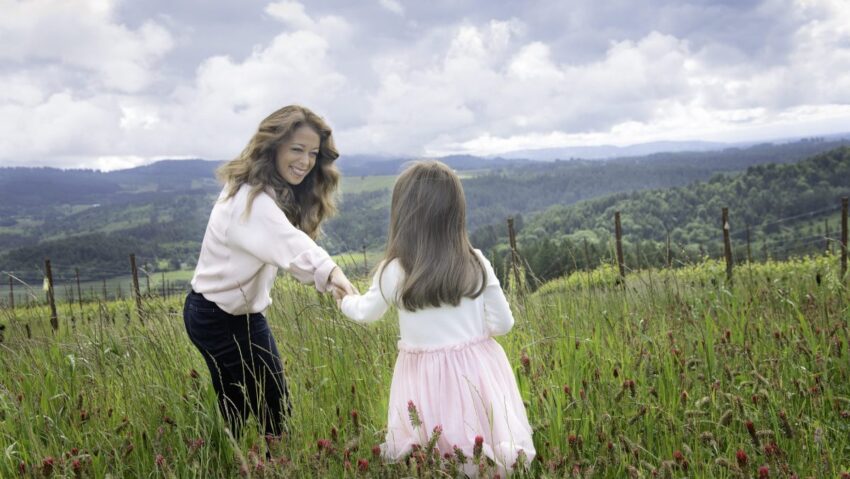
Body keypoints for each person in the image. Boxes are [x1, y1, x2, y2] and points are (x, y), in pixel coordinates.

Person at [336, 160, 535, 475]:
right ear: (456, 213)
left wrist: (345, 299)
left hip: (423, 377)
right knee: (478, 445)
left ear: (403, 215)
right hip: (476, 372)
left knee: (431, 451)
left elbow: (366, 312)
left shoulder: (394, 269)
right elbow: (504, 324)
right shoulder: (476, 261)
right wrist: (471, 335)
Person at [183, 105, 357, 438]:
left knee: (272, 407)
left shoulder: (260, 189)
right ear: (274, 145)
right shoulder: (250, 200)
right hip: (214, 317)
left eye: (312, 153)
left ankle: (257, 461)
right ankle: (236, 461)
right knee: (250, 408)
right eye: (296, 149)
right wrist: (333, 273)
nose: (305, 162)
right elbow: (290, 243)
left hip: (245, 316)